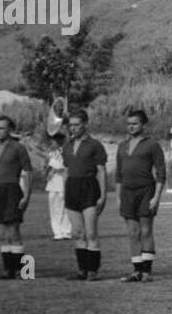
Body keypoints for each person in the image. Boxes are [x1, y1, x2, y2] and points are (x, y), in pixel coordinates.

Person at [116, 108, 165, 282]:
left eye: (135, 123)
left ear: (143, 124)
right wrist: (118, 196)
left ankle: (147, 272)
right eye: (129, 124)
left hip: (146, 192)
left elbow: (161, 172)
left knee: (145, 231)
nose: (131, 127)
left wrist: (156, 197)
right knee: (132, 233)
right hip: (127, 194)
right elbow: (118, 174)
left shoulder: (152, 144)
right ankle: (136, 271)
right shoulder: (122, 146)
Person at [63, 109, 108, 279]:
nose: (73, 128)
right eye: (71, 125)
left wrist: (103, 196)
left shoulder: (95, 145)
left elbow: (101, 171)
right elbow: (66, 171)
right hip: (72, 190)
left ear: (85, 124)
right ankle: (82, 270)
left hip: (89, 188)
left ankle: (93, 271)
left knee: (91, 233)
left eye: (77, 125)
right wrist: (64, 193)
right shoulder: (66, 146)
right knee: (78, 233)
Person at [0, 116, 33, 279]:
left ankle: (24, 270)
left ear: (10, 130)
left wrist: (26, 195)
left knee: (13, 230)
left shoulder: (18, 148)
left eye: (2, 128)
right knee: (3, 232)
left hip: (12, 190)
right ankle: (8, 269)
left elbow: (28, 172)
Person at [44, 132, 70, 239]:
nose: (55, 142)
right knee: (54, 209)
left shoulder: (67, 151)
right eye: (54, 140)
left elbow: (67, 166)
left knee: (66, 208)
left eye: (58, 140)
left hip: (64, 183)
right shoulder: (50, 153)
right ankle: (57, 232)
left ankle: (66, 231)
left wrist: (58, 168)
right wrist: (48, 170)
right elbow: (46, 168)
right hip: (53, 184)